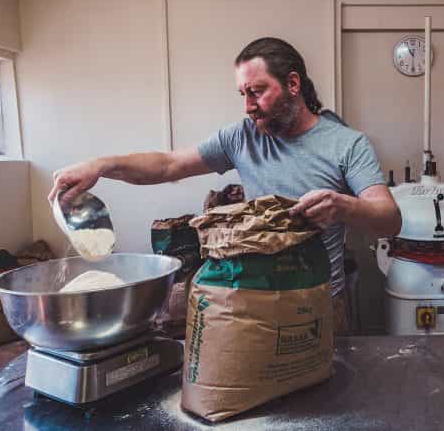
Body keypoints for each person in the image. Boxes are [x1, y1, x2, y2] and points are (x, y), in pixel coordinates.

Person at [49, 37, 402, 332]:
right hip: (254, 303)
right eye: (243, 94)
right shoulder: (241, 138)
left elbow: (389, 218)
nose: (248, 106)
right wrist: (101, 165)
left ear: (293, 85)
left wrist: (343, 206)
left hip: (320, 306)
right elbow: (168, 165)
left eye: (258, 92)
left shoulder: (347, 144)